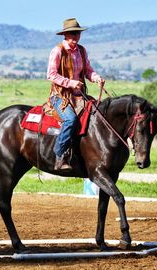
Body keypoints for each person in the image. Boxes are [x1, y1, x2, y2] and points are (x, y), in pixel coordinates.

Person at [47, 18, 105, 170]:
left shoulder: (82, 50)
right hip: (61, 96)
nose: (75, 36)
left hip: (80, 95)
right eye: (72, 33)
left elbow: (88, 71)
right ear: (65, 35)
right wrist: (71, 83)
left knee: (98, 115)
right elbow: (51, 75)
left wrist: (96, 78)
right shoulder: (57, 51)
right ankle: (59, 156)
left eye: (77, 33)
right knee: (71, 120)